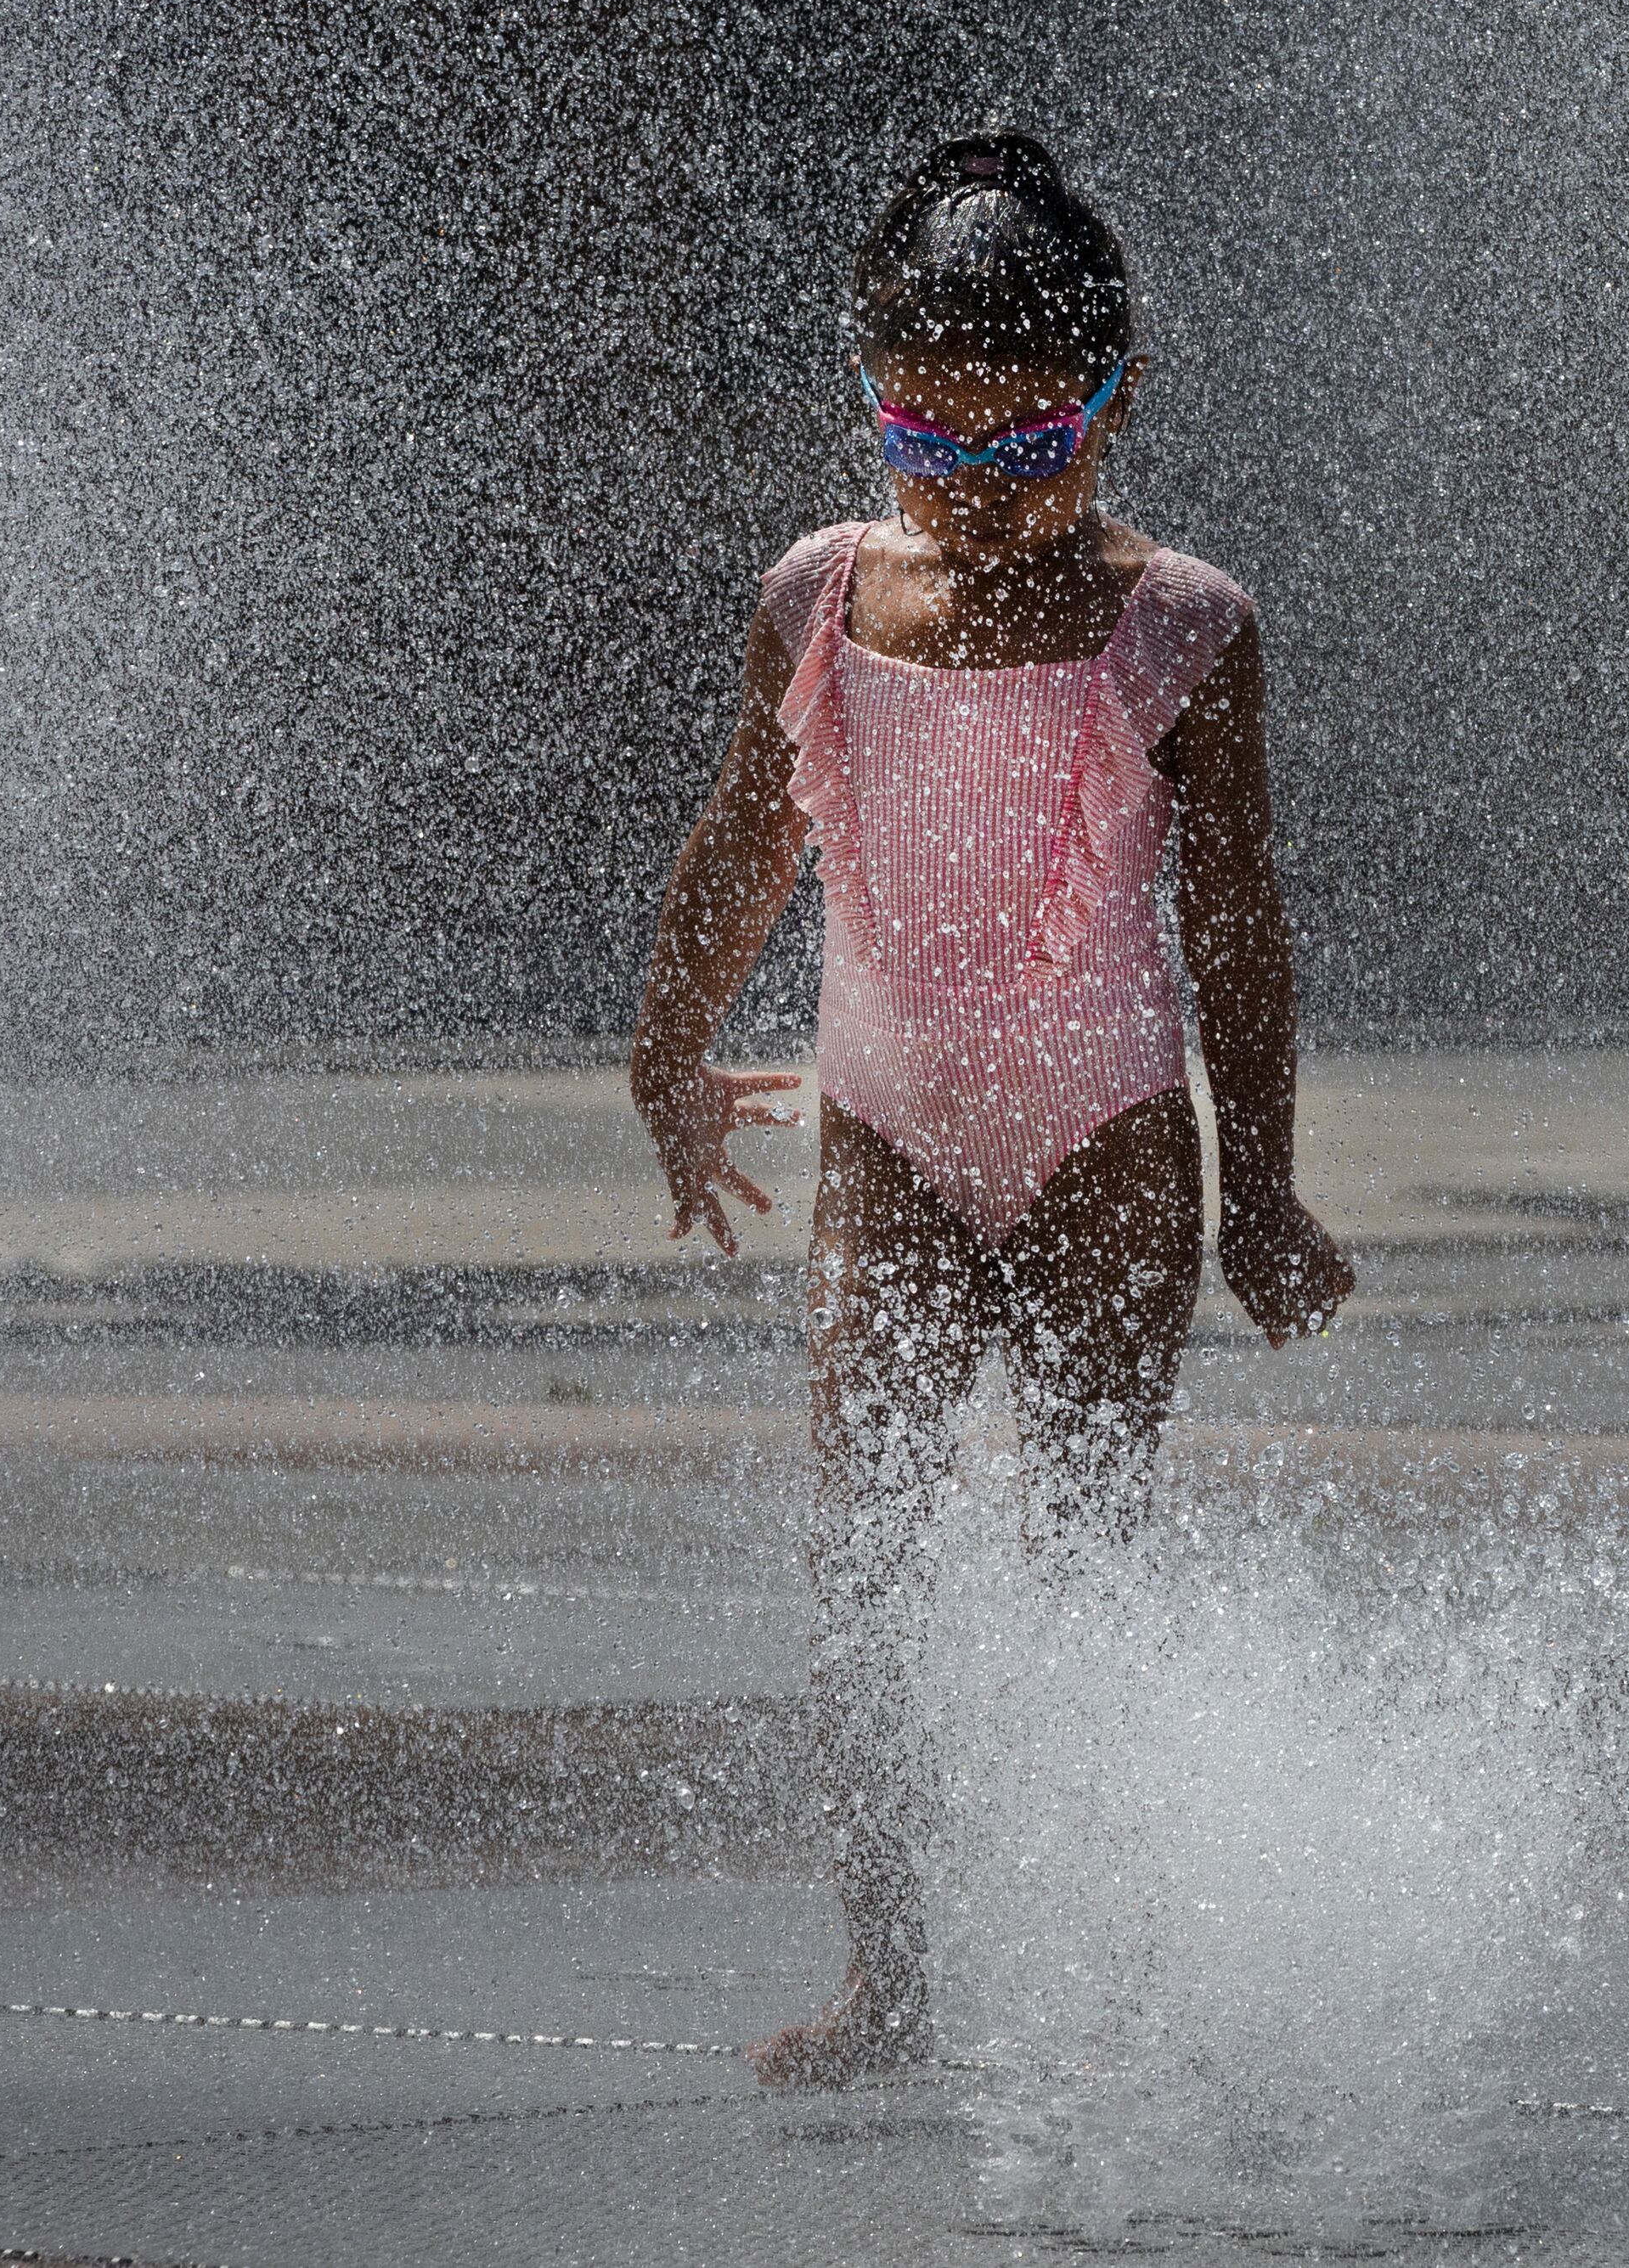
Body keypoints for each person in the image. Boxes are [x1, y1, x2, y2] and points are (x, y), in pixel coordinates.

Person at [629, 127, 1355, 2088]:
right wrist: (662, 1051)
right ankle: (896, 1981)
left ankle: (1116, 1976)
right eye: (925, 436)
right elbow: (737, 843)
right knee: (863, 1551)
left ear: (1108, 413)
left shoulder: (1182, 623)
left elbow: (1240, 929)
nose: (973, 485)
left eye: (1025, 440)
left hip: (1110, 1136)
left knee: (1083, 1549)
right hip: (888, 1127)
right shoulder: (816, 595)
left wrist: (1266, 1190)